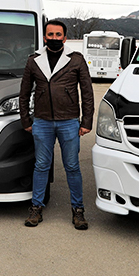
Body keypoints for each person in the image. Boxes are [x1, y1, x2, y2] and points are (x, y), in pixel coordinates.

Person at [19, 20, 94, 229]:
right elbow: (24, 93)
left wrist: (86, 121)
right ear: (44, 37)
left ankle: (78, 210)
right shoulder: (34, 60)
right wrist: (26, 120)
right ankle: (36, 208)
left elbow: (87, 93)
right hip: (42, 122)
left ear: (65, 37)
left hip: (69, 122)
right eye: (50, 35)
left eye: (58, 35)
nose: (54, 38)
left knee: (72, 166)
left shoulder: (76, 60)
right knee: (41, 166)